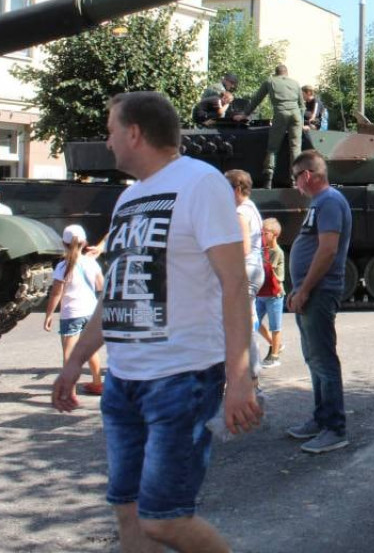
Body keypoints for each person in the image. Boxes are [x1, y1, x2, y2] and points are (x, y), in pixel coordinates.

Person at [51, 91, 260, 553]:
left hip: (181, 379)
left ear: (134, 133)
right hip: (124, 381)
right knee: (128, 512)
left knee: (164, 520)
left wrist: (240, 377)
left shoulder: (201, 183)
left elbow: (233, 284)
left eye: (110, 131)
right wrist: (75, 363)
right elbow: (116, 296)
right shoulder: (130, 199)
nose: (107, 142)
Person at [285, 150, 353, 454]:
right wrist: (298, 288)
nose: (296, 184)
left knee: (323, 361)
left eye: (296, 177)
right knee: (314, 359)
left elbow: (327, 250)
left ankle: (334, 428)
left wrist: (305, 289)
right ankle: (321, 418)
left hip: (319, 291)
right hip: (310, 291)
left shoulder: (329, 201)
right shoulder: (321, 203)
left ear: (308, 176)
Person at [43, 224, 104, 396]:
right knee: (90, 349)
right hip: (90, 312)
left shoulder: (62, 266)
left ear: (64, 243)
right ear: (85, 243)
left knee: (69, 352)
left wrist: (48, 315)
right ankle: (97, 382)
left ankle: (69, 390)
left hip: (71, 314)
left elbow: (56, 293)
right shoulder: (91, 262)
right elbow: (101, 286)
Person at [236, 64, 304, 189]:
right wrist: (303, 122)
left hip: (280, 114)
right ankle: (294, 181)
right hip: (296, 115)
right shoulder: (295, 83)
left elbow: (256, 99)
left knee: (273, 148)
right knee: (295, 148)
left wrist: (245, 114)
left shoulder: (270, 81)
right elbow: (302, 105)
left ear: (276, 73)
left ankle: (268, 179)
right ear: (286, 73)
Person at [225, 169, 264, 381]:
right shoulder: (252, 208)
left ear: (238, 188)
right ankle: (251, 372)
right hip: (255, 269)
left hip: (245, 271)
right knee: (245, 322)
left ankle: (249, 373)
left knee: (239, 325)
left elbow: (243, 248)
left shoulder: (240, 212)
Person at [256, 217, 286, 367]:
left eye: (264, 233)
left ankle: (274, 356)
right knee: (254, 322)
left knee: (275, 326)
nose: (262, 235)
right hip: (261, 293)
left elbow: (274, 275)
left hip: (274, 295)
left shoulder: (277, 252)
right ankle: (276, 345)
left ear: (274, 235)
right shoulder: (261, 250)